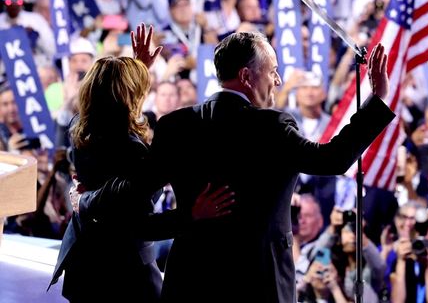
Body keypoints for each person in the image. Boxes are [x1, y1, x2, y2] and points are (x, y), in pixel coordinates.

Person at [78, 32, 395, 302]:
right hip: (260, 286)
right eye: (272, 70)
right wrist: (377, 99)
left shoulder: (175, 126)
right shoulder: (273, 126)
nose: (278, 80)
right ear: (246, 76)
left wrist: (186, 219)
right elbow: (334, 159)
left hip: (192, 283)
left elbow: (134, 215)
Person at [49, 25, 232, 302]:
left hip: (85, 262)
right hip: (124, 273)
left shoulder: (80, 128)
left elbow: (113, 101)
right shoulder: (131, 150)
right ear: (128, 95)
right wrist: (192, 215)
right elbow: (140, 226)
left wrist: (138, 69)